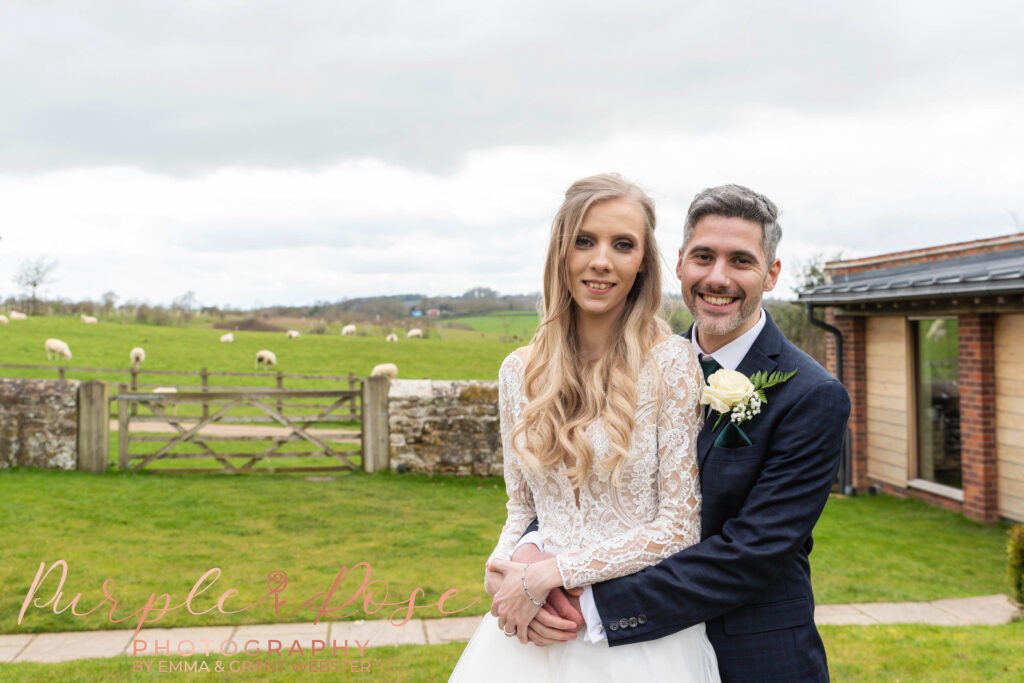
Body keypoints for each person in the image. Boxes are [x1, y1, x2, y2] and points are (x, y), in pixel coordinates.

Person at [513, 184, 851, 682]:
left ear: (772, 274)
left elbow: (750, 551)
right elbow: (576, 483)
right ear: (678, 263)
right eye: (703, 256)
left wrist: (588, 606)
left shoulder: (812, 395)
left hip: (750, 657)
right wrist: (531, 548)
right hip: (624, 658)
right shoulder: (635, 367)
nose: (718, 277)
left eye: (741, 260)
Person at [449, 174, 720, 681]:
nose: (602, 260)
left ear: (642, 263)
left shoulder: (673, 364)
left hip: (638, 641)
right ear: (561, 253)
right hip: (535, 631)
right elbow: (522, 508)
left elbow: (679, 528)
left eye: (622, 245)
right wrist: (501, 574)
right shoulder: (518, 371)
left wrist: (550, 575)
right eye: (585, 241)